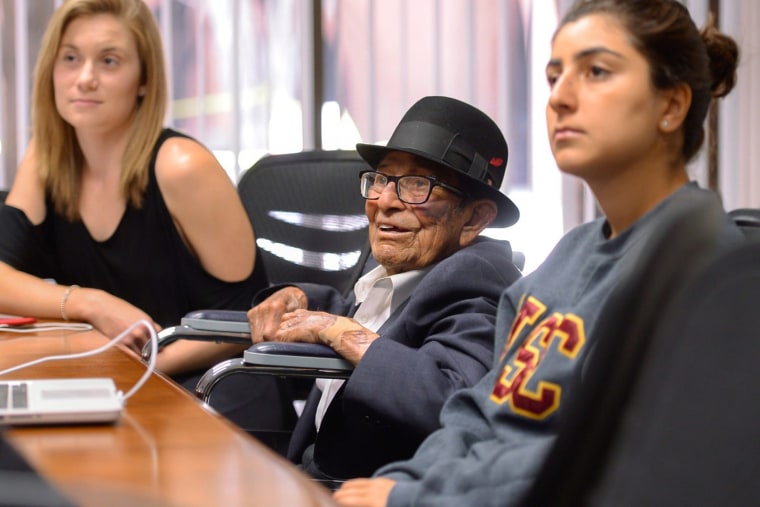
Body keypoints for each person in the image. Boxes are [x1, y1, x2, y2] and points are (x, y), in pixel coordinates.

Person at [332, 1, 743, 506]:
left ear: (671, 106)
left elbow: (608, 459)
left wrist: (417, 500)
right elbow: (480, 416)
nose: (560, 98)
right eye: (553, 77)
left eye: (596, 71)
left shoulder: (710, 272)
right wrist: (404, 483)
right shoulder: (566, 261)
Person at [226, 95, 522, 480]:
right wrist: (301, 297)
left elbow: (450, 397)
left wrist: (337, 330)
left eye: (418, 184)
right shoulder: (407, 260)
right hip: (306, 474)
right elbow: (370, 315)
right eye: (381, 178)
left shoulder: (476, 286)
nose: (383, 201)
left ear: (475, 218)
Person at [0, 0, 266, 355]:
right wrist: (88, 303)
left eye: (109, 61)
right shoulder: (47, 157)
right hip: (115, 374)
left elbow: (248, 319)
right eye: (70, 58)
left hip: (208, 386)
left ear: (143, 80)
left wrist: (139, 369)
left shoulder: (181, 165)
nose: (85, 79)